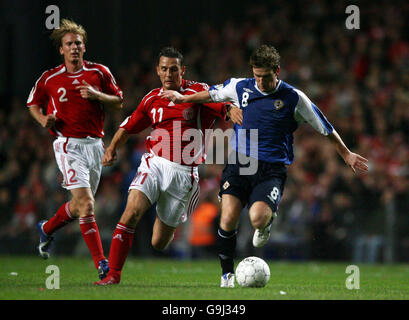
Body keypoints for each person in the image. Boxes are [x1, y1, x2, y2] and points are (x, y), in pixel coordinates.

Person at [162, 44, 369, 287]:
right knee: (227, 219)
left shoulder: (294, 98)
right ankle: (227, 275)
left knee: (257, 219)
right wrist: (183, 97)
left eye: (266, 76)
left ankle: (266, 222)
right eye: (256, 75)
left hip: (272, 168)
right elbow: (211, 94)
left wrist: (346, 154)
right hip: (240, 162)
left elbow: (325, 126)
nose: (260, 81)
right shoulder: (240, 86)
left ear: (277, 71)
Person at [94, 47, 241, 285]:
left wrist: (231, 110)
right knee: (131, 212)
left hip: (184, 175)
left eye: (174, 69)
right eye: (164, 69)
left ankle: (166, 224)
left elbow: (221, 104)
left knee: (159, 243)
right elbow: (128, 126)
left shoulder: (198, 92)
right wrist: (111, 148)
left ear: (182, 70)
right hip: (154, 164)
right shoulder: (151, 98)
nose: (169, 73)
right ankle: (113, 275)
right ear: (158, 71)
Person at [27, 19, 123, 280]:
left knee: (80, 206)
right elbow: (32, 104)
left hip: (94, 145)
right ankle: (102, 264)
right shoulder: (50, 78)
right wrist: (42, 120)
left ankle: (46, 228)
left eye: (78, 43)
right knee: (87, 204)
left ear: (84, 47)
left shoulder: (99, 73)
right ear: (61, 49)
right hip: (68, 144)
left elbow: (118, 101)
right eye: (69, 44)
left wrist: (97, 95)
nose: (74, 48)